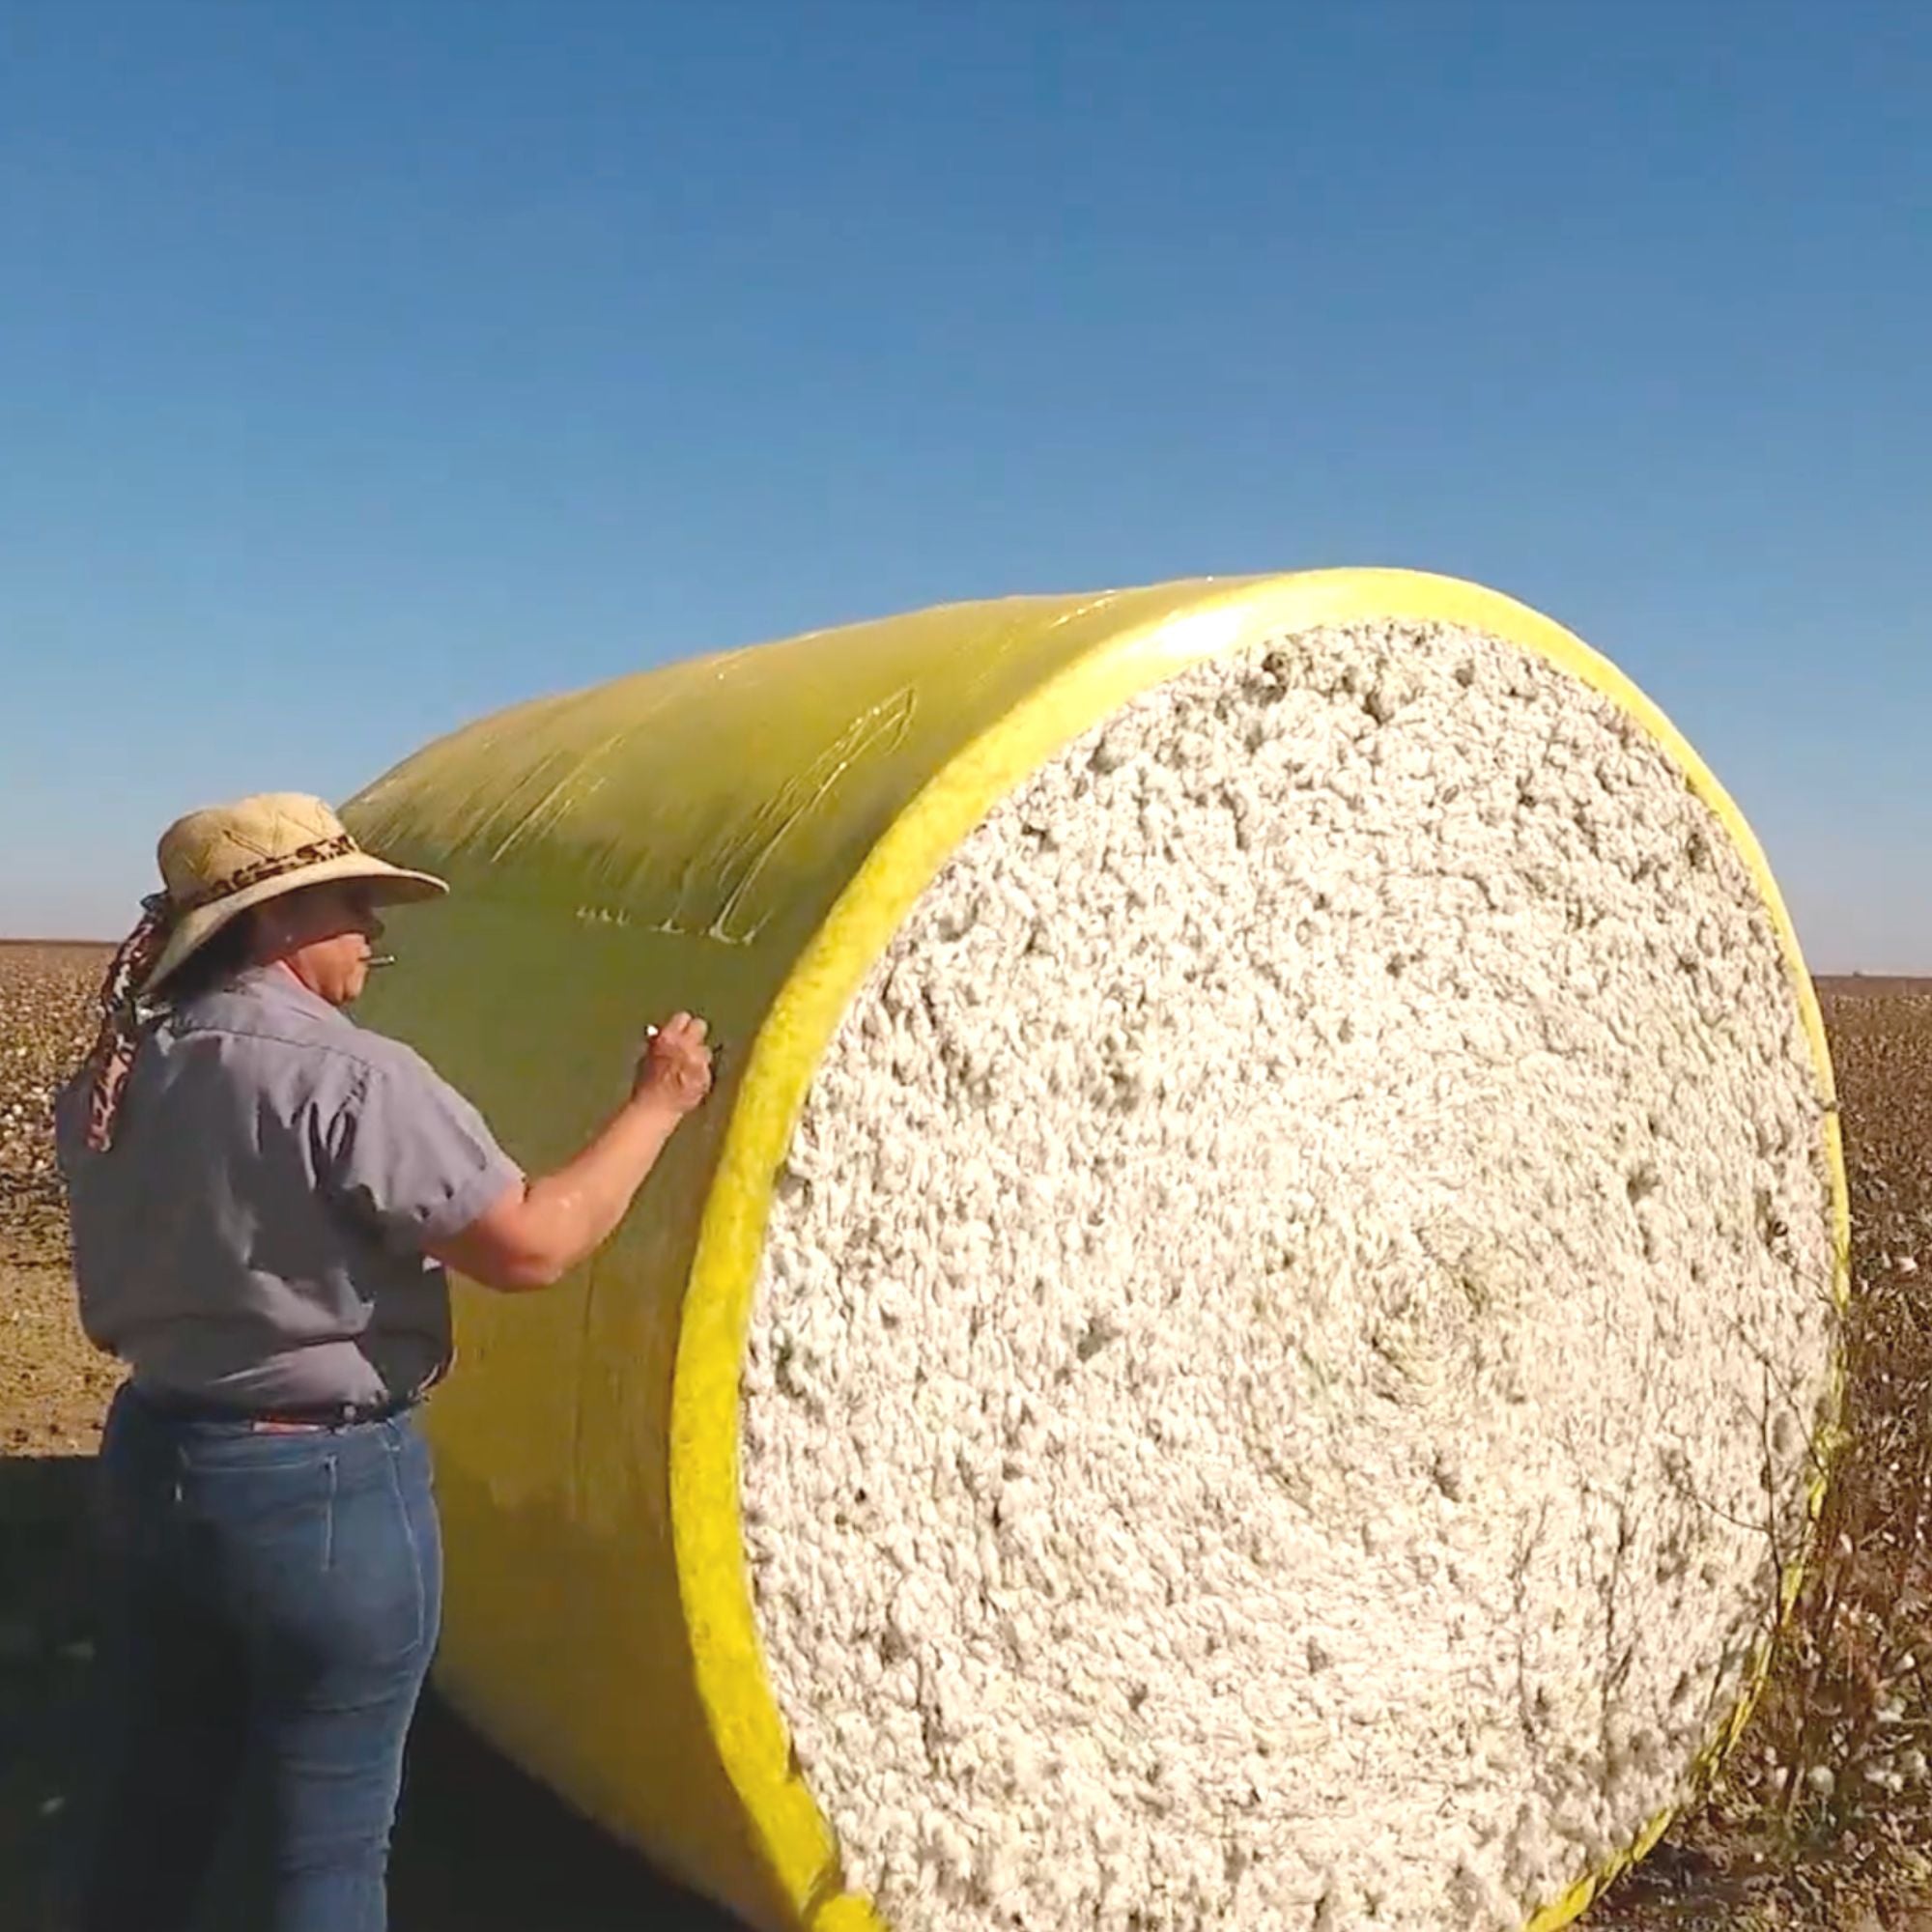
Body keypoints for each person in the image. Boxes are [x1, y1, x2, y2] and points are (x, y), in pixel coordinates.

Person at [50, 791, 714, 1932]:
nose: (372, 930)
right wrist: (657, 1105)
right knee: (328, 1840)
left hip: (154, 1460)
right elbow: (532, 1242)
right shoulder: (350, 1079)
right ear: (277, 922)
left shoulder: (119, 1071)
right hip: (316, 1496)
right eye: (353, 903)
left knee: (152, 1792)